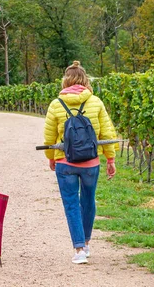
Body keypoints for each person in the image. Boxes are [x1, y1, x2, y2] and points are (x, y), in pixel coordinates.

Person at [43, 61, 117, 264]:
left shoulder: (56, 104)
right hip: (91, 163)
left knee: (71, 203)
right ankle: (86, 241)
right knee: (88, 200)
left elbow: (49, 136)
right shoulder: (96, 102)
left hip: (65, 162)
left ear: (65, 81)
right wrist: (110, 158)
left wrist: (51, 157)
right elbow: (107, 132)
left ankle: (79, 250)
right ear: (85, 80)